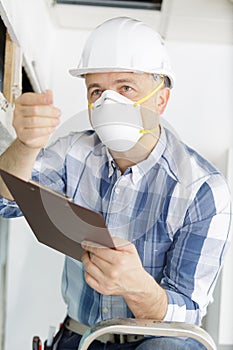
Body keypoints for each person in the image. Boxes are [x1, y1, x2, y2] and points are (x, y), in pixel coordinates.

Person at [0, 16, 232, 350]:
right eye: (97, 91)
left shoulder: (203, 191)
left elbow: (188, 317)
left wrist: (136, 286)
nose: (110, 102)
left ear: (160, 100)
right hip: (81, 336)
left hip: (156, 340)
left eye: (125, 88)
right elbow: (6, 202)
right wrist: (25, 145)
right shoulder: (73, 153)